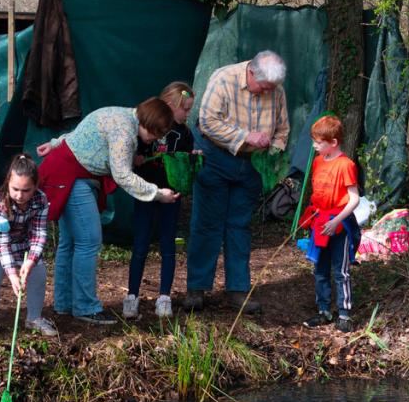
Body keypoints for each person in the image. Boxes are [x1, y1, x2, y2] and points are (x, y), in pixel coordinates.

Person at [36, 99, 179, 325]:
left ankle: (64, 304)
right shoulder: (125, 133)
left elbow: (84, 134)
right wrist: (158, 194)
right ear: (149, 124)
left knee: (70, 242)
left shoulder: (120, 113)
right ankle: (85, 307)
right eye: (156, 134)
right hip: (74, 177)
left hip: (62, 168)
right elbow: (122, 175)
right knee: (88, 241)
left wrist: (55, 143)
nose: (156, 139)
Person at [185, 50, 290, 313]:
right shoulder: (223, 79)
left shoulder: (276, 90)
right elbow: (207, 122)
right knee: (207, 223)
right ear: (251, 72)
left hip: (252, 165)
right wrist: (246, 137)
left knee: (240, 226)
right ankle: (196, 289)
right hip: (214, 156)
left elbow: (283, 129)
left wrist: (273, 154)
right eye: (264, 86)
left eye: (272, 88)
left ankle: (238, 290)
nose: (268, 91)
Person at [123, 82, 197, 320]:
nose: (187, 114)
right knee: (141, 245)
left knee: (168, 246)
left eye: (189, 109)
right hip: (146, 193)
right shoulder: (148, 126)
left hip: (170, 196)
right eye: (184, 109)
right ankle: (131, 296)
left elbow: (186, 165)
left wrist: (192, 160)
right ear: (169, 105)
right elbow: (133, 153)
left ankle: (164, 297)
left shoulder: (185, 134)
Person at [0, 154, 57, 343]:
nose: (19, 195)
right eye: (15, 189)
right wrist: (12, 274)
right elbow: (1, 244)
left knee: (38, 271)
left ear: (35, 186)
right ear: (8, 184)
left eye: (26, 190)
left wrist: (30, 261)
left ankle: (33, 318)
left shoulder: (41, 200)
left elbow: (39, 233)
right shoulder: (0, 204)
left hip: (20, 237)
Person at [300, 115, 360, 333]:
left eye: (318, 142)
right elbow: (318, 193)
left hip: (339, 224)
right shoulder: (317, 162)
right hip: (320, 222)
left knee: (340, 270)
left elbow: (354, 199)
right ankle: (324, 311)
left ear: (333, 142)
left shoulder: (345, 165)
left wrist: (336, 221)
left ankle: (344, 314)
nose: (314, 145)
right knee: (320, 268)